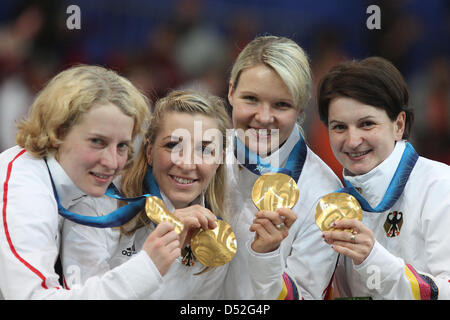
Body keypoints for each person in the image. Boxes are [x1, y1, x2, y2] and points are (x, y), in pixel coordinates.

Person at [0, 65, 181, 299]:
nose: (112, 162)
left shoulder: (72, 175)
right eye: (97, 141)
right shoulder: (22, 190)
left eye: (122, 146)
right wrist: (146, 268)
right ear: (58, 132)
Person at [61, 89, 232, 299]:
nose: (187, 164)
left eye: (204, 150)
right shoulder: (96, 209)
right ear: (149, 152)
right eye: (173, 145)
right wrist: (154, 258)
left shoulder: (220, 227)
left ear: (219, 160)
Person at [318, 56, 450, 300]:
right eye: (339, 127)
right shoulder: (330, 201)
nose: (352, 141)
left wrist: (375, 260)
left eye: (366, 124)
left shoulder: (440, 186)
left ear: (399, 125)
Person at [223, 35, 342, 300]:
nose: (264, 117)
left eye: (281, 105)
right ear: (231, 92)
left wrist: (266, 256)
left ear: (300, 108)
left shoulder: (326, 195)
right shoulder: (198, 161)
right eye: (251, 99)